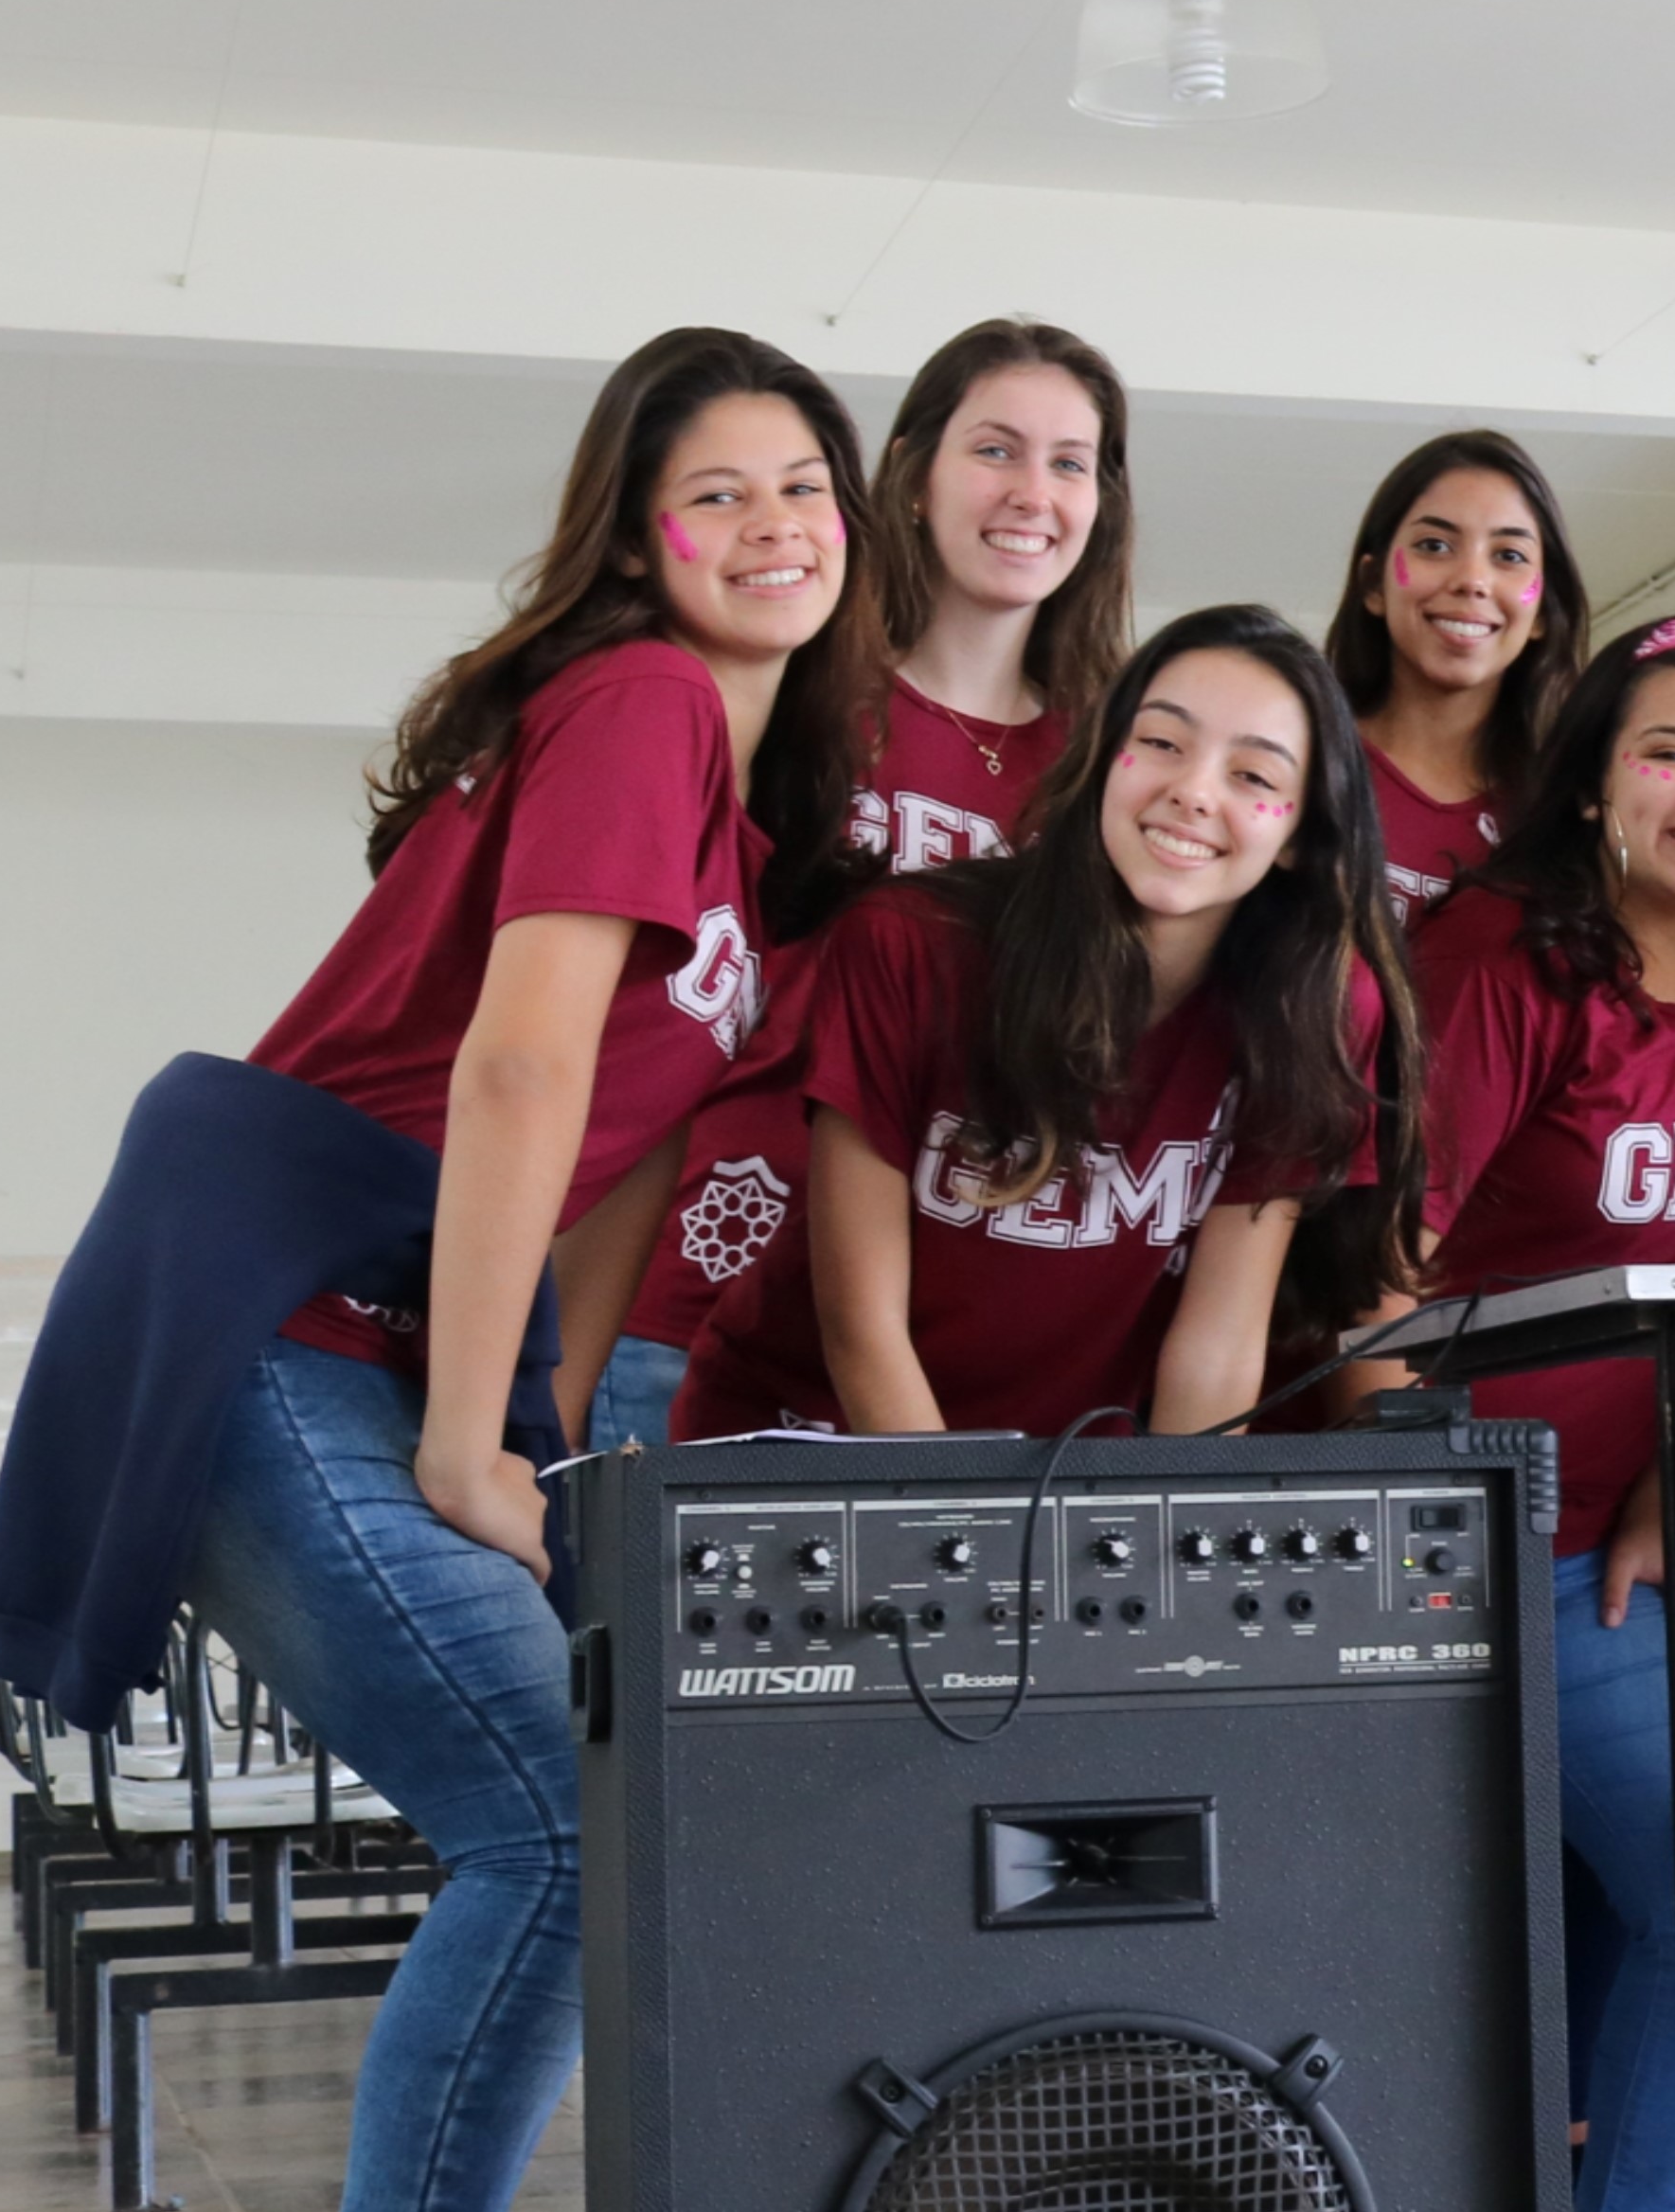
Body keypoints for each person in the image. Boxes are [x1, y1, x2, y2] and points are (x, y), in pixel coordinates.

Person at [0, 327, 879, 2212]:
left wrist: (542, 1436)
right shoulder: (640, 700)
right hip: (294, 1314)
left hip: (359, 1340)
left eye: (805, 483)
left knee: (573, 1815)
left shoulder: (747, 833)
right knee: (559, 1822)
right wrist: (472, 1435)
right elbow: (514, 1073)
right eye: (714, 491)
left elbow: (606, 1173)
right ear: (637, 536)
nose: (771, 523)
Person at [1377, 616, 1675, 2212]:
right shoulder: (1502, 960)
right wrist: (1426, 1546)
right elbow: (1370, 1279)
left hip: (1626, 1536)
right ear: (1590, 783)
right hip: (1486, 1537)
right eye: (1671, 750)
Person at [669, 607, 1418, 1443]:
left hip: (1058, 1468)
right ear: (1101, 758)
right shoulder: (908, 944)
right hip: (812, 1436)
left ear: (1300, 835)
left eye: (1253, 775)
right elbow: (862, 1325)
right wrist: (960, 1518)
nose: (1194, 791)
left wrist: (1167, 1524)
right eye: (1162, 742)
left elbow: (1215, 1350)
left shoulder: (1315, 1012)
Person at [597, 318, 1132, 1447]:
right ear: (912, 475)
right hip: (701, 1298)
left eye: (1070, 463)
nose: (1032, 492)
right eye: (995, 450)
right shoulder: (788, 696)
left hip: (944, 1346)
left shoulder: (1116, 773)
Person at [1330, 428, 1592, 919]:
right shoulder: (1301, 767)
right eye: (1434, 545)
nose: (1472, 580)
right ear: (1373, 584)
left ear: (1543, 611)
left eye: (1509, 556)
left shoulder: (1576, 806)